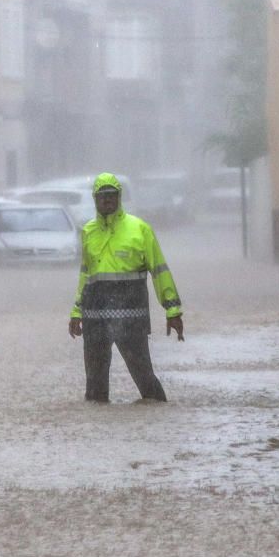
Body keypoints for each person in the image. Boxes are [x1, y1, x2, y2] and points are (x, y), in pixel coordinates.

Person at [68, 172, 184, 403]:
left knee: (144, 376)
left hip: (131, 318)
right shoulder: (88, 232)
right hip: (95, 319)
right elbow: (85, 275)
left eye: (112, 195)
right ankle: (97, 432)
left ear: (119, 197)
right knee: (95, 386)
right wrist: (76, 312)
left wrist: (173, 310)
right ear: (95, 199)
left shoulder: (139, 229)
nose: (107, 200)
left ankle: (157, 412)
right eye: (102, 196)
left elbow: (159, 271)